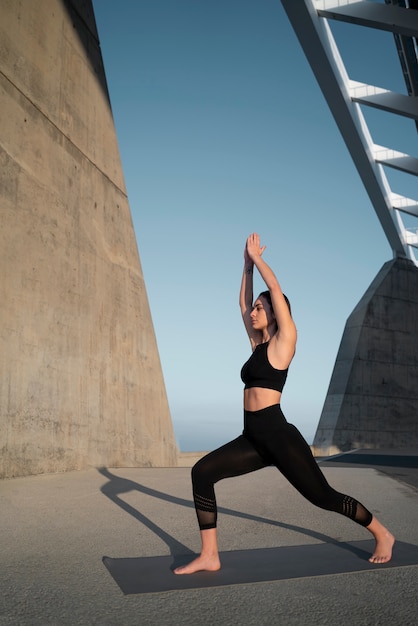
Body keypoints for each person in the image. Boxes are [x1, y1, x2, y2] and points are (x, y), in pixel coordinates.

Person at [174, 233, 394, 575]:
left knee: (324, 497)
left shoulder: (284, 342)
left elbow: (274, 291)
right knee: (201, 472)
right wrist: (246, 269)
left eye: (261, 308)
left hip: (279, 437)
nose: (254, 312)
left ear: (276, 313)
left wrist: (258, 260)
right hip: (253, 438)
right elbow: (242, 305)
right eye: (256, 308)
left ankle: (382, 533)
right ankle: (210, 555)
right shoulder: (258, 346)